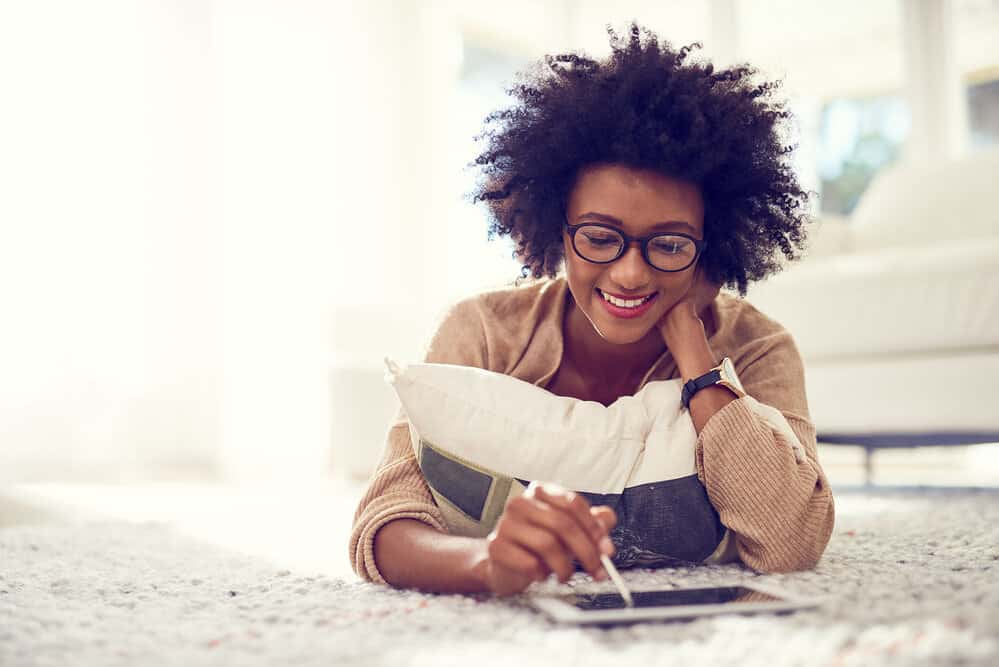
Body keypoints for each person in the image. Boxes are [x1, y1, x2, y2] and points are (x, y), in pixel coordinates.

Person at [349, 23, 835, 596]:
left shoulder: (757, 348)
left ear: (714, 247)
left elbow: (792, 538)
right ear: (558, 227)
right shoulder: (483, 331)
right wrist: (487, 563)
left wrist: (695, 357)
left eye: (670, 244)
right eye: (601, 237)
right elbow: (384, 521)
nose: (630, 273)